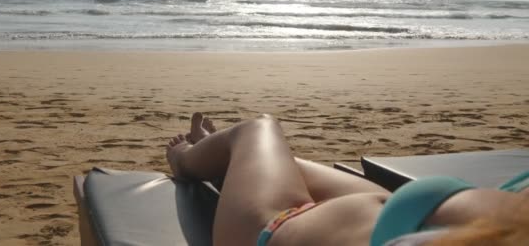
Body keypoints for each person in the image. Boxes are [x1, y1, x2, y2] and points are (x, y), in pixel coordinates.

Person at [166, 113, 529, 246]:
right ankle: (217, 156)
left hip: (275, 229)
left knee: (257, 130)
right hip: (388, 213)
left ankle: (185, 160)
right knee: (279, 162)